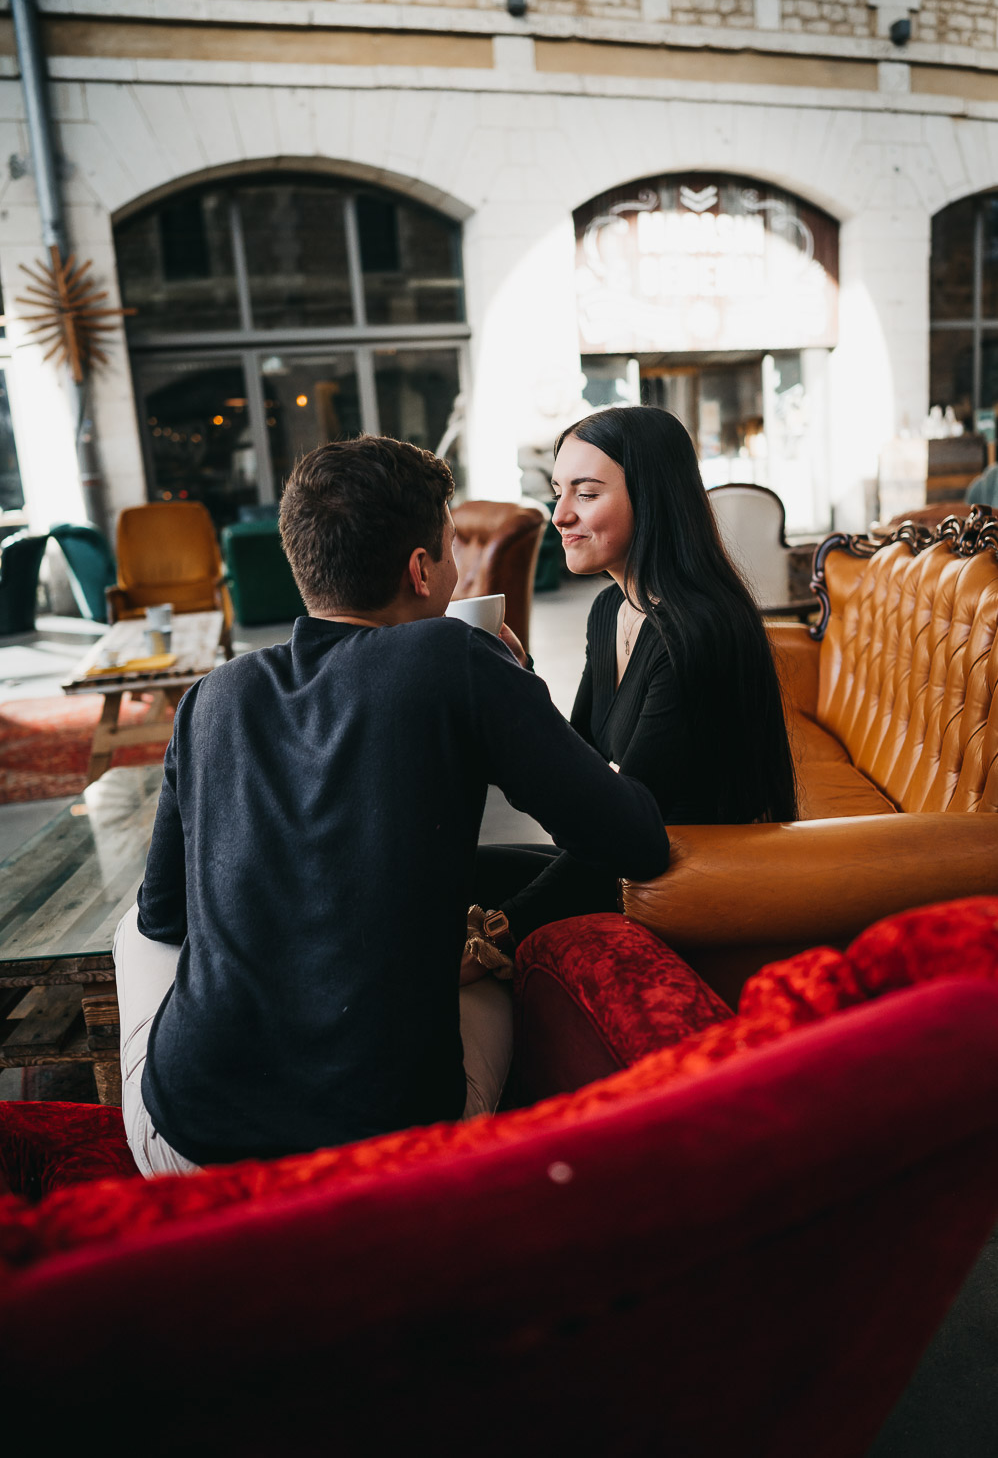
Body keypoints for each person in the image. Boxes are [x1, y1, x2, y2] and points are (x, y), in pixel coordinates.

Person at [113, 435, 670, 1177]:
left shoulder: (213, 695)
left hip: (189, 1143)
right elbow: (634, 840)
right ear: (420, 569)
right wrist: (514, 683)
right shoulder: (453, 657)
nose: (455, 569)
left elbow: (165, 918)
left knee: (132, 929)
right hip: (391, 1144)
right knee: (484, 956)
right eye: (450, 549)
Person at [472, 404, 798, 953]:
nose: (560, 516)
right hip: (636, 862)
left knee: (470, 896)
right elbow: (580, 768)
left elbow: (617, 829)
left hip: (695, 884)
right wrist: (517, 672)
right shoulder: (612, 609)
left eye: (586, 494)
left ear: (652, 497)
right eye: (558, 492)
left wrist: (498, 934)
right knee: (459, 869)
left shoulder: (695, 631)